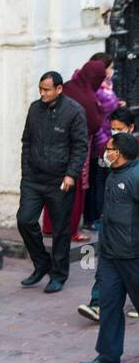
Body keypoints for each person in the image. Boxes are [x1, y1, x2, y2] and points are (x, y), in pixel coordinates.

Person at [17, 70, 88, 293]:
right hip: (33, 178)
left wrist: (71, 174)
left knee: (61, 230)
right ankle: (41, 264)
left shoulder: (74, 111)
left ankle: (58, 275)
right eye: (40, 89)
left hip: (60, 180)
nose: (42, 93)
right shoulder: (34, 109)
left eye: (46, 89)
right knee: (25, 220)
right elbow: (26, 141)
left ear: (59, 89)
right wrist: (26, 172)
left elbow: (80, 146)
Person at [79, 132, 139, 363]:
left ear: (120, 153)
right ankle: (108, 356)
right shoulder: (113, 174)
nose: (105, 152)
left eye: (109, 148)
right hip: (110, 254)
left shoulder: (134, 176)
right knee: (109, 305)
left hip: (132, 255)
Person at [42, 58, 107, 242]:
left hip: (53, 147)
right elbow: (94, 124)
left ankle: (48, 226)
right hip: (75, 150)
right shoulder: (87, 98)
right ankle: (70, 231)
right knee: (75, 189)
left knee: (53, 186)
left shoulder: (69, 87)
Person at [85, 53, 125, 229]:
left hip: (103, 139)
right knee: (97, 181)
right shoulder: (99, 89)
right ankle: (94, 217)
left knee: (98, 179)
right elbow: (106, 109)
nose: (112, 71)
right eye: (110, 67)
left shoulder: (103, 86)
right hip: (100, 142)